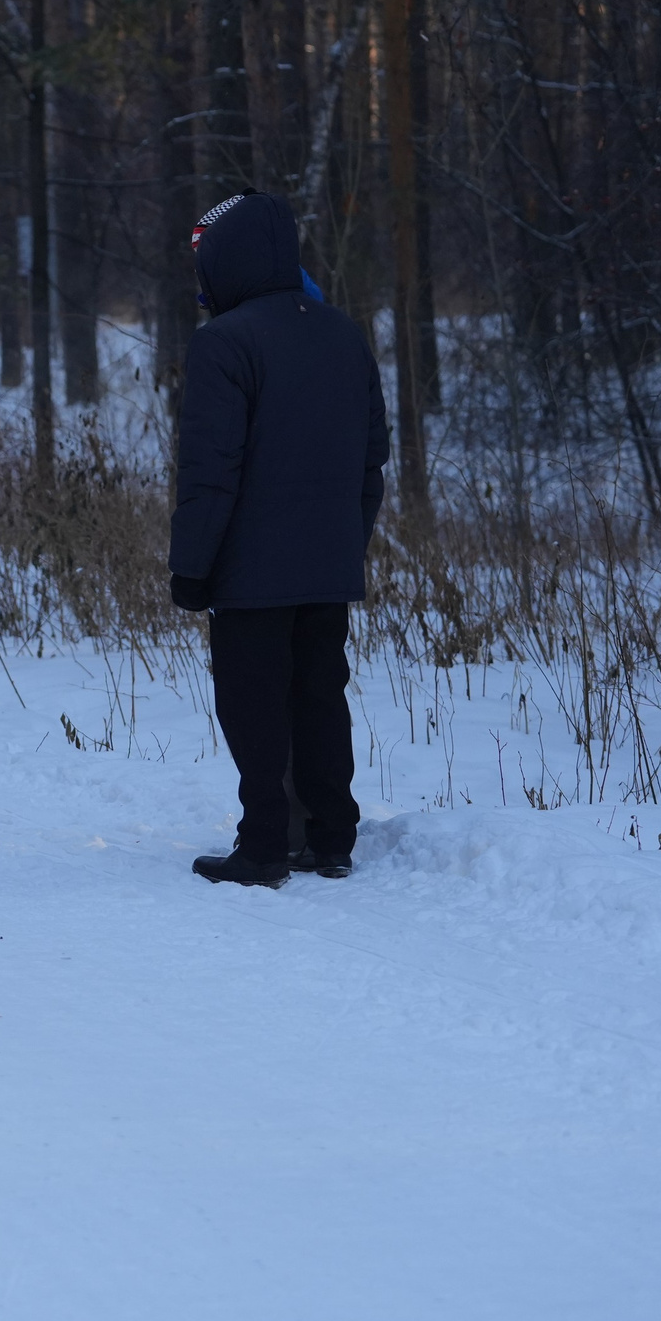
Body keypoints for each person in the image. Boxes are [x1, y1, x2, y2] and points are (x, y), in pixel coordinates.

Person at [171, 191, 390, 887]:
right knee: (319, 694)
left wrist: (191, 566)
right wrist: (347, 542)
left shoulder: (223, 342)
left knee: (253, 702)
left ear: (225, 261)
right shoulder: (343, 334)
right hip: (328, 564)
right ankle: (330, 837)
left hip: (251, 572)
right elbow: (371, 461)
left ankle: (264, 846)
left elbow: (211, 470)